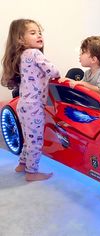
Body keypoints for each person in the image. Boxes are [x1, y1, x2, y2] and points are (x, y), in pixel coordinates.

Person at [1, 19, 60, 181]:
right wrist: (58, 73)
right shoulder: (35, 53)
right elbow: (53, 71)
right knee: (36, 141)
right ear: (20, 39)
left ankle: (22, 164)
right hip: (34, 106)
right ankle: (32, 172)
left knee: (28, 138)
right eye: (33, 33)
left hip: (24, 104)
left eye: (39, 32)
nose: (39, 35)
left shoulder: (22, 55)